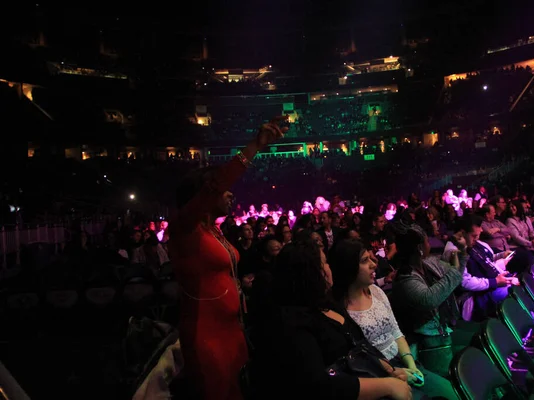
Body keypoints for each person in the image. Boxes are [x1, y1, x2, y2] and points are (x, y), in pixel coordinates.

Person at [169, 116, 288, 400]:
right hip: (205, 334)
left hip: (233, 327)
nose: (231, 193)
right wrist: (254, 147)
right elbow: (217, 184)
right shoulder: (184, 228)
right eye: (222, 188)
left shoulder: (215, 230)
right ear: (205, 193)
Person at [251, 240, 413, 400]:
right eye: (325, 263)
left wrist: (388, 370)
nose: (329, 268)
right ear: (312, 273)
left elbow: (360, 346)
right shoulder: (292, 325)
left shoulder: (326, 304)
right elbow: (320, 386)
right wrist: (388, 386)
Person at [330, 239, 459, 400]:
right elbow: (357, 360)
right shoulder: (339, 310)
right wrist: (394, 372)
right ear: (348, 267)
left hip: (403, 360)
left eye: (371, 258)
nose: (373, 264)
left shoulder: (376, 291)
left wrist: (411, 364)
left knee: (452, 393)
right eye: (364, 261)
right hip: (376, 375)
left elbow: (396, 332)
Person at [391, 222, 468, 378]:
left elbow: (455, 278)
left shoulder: (428, 263)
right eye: (427, 241)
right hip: (426, 343)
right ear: (419, 247)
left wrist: (461, 252)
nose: (430, 245)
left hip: (442, 332)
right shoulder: (405, 278)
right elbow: (430, 299)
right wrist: (454, 268)